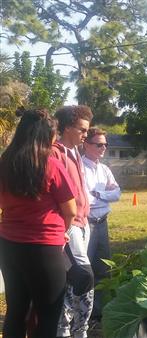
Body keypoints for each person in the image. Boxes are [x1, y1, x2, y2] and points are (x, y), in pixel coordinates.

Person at [0, 108, 76, 338]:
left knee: (16, 311)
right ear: (46, 136)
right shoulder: (51, 164)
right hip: (44, 247)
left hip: (9, 244)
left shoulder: (3, 163)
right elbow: (71, 210)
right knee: (48, 315)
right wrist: (64, 231)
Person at [52, 105, 95, 338]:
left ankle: (72, 329)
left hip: (83, 223)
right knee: (84, 275)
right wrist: (66, 226)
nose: (85, 134)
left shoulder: (76, 153)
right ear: (67, 127)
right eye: (82, 129)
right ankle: (73, 330)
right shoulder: (55, 153)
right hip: (69, 226)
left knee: (71, 280)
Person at [82, 127, 121, 319]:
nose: (103, 148)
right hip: (86, 223)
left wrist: (100, 194)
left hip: (102, 223)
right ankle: (82, 312)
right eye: (99, 144)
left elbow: (117, 193)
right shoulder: (79, 167)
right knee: (84, 269)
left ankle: (98, 311)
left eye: (105, 144)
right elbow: (84, 199)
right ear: (86, 145)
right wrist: (102, 196)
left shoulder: (104, 169)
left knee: (103, 268)